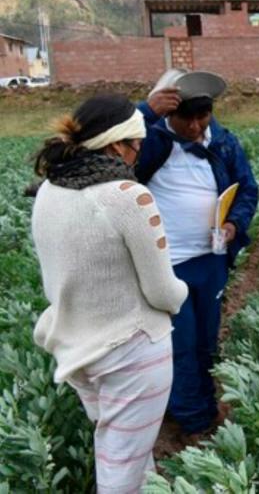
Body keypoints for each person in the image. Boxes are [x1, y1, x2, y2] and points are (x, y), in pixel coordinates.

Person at [30, 94, 188, 493]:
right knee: (121, 473)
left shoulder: (49, 188)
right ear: (118, 145)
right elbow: (163, 293)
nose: (139, 155)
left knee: (129, 457)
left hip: (79, 349)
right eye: (137, 145)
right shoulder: (126, 196)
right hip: (131, 351)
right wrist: (186, 287)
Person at [135, 70, 259, 437]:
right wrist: (145, 111)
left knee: (206, 338)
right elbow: (105, 155)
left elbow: (247, 188)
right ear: (168, 115)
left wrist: (235, 222)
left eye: (201, 117)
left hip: (211, 258)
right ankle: (192, 418)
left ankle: (201, 404)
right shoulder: (149, 141)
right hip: (167, 263)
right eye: (184, 118)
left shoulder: (222, 141)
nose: (193, 126)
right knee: (181, 342)